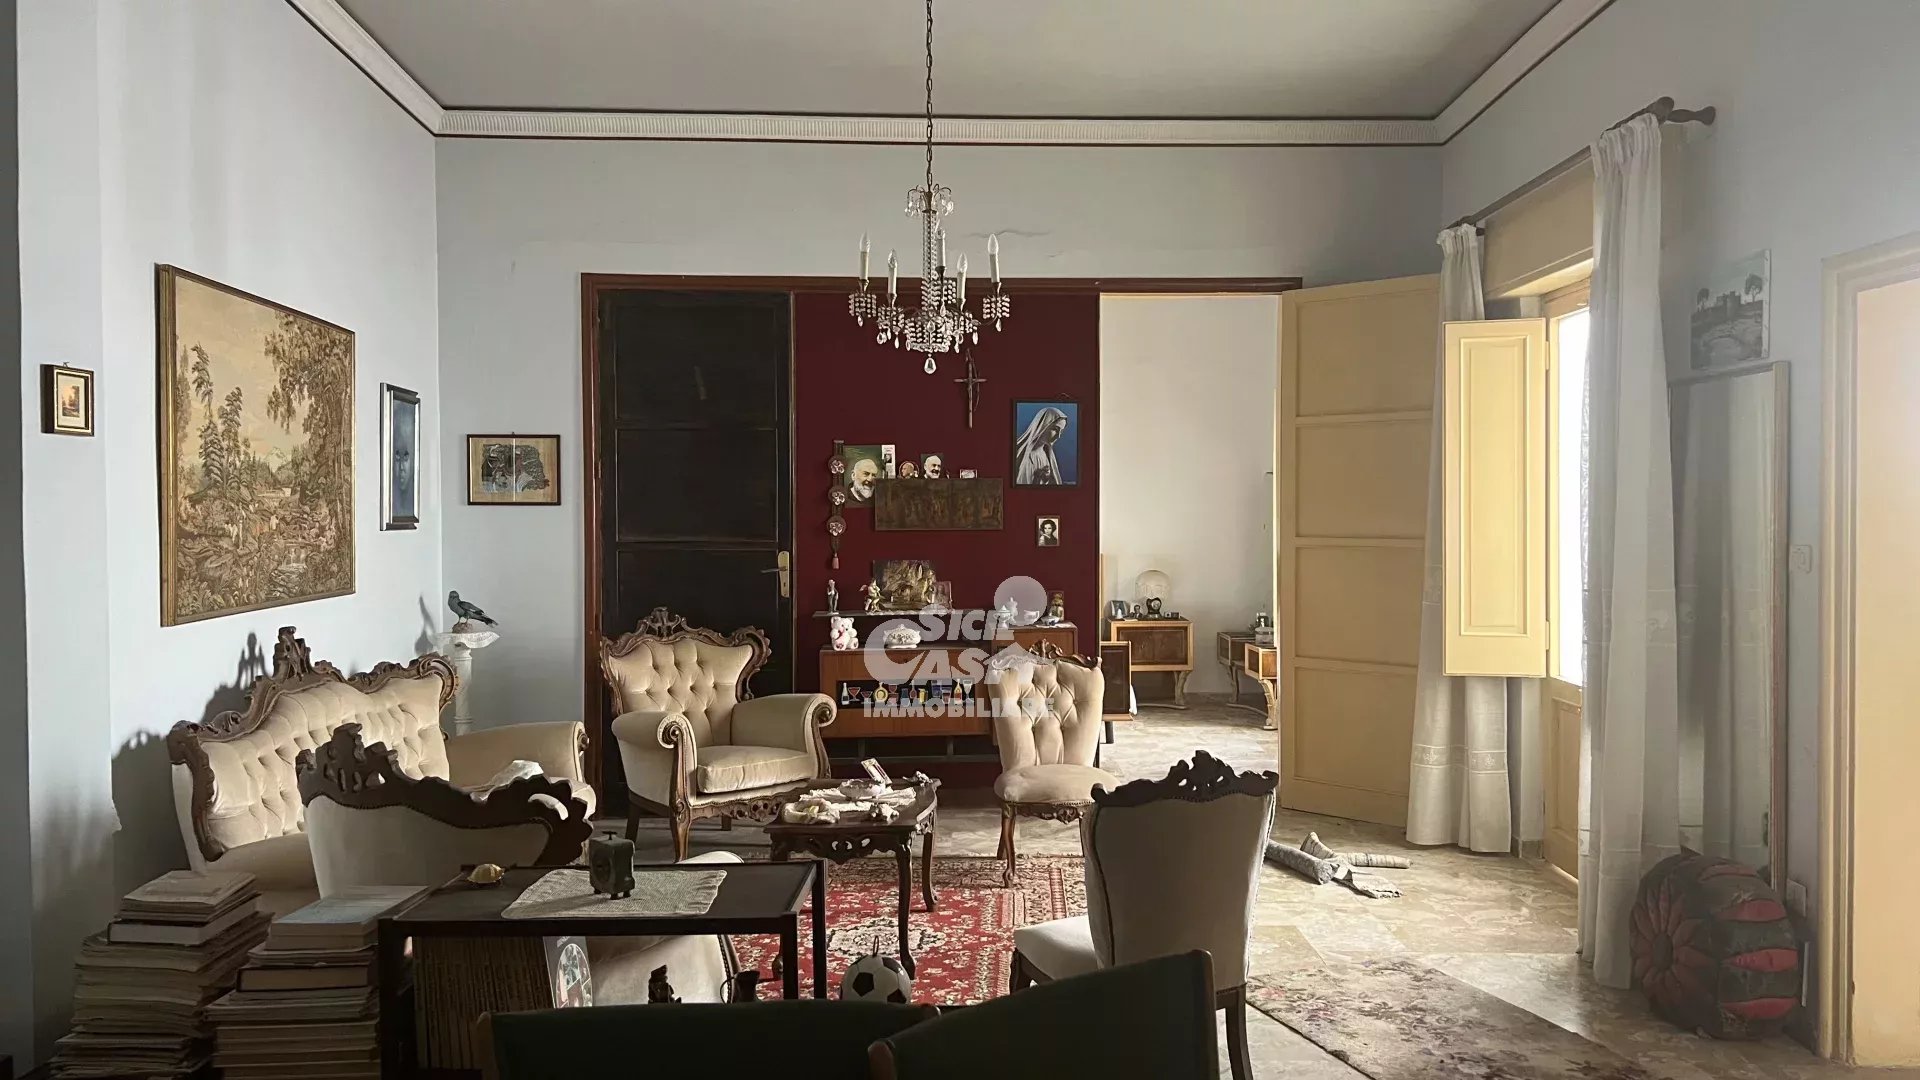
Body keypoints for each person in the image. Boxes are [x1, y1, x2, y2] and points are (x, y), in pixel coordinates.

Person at [1013, 406, 1070, 485]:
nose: (1058, 436)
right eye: (1055, 429)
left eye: (1061, 431)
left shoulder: (1047, 454)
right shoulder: (1017, 453)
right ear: (1043, 425)